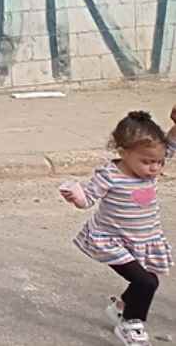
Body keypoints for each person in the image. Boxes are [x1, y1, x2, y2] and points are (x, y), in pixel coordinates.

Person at [61, 109, 176, 345]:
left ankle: (121, 307)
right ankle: (130, 324)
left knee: (147, 281)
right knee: (146, 282)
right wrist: (76, 196)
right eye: (147, 162)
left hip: (144, 239)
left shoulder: (149, 165)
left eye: (159, 162)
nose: (154, 168)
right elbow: (88, 199)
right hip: (111, 241)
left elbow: (171, 143)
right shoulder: (110, 175)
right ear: (123, 152)